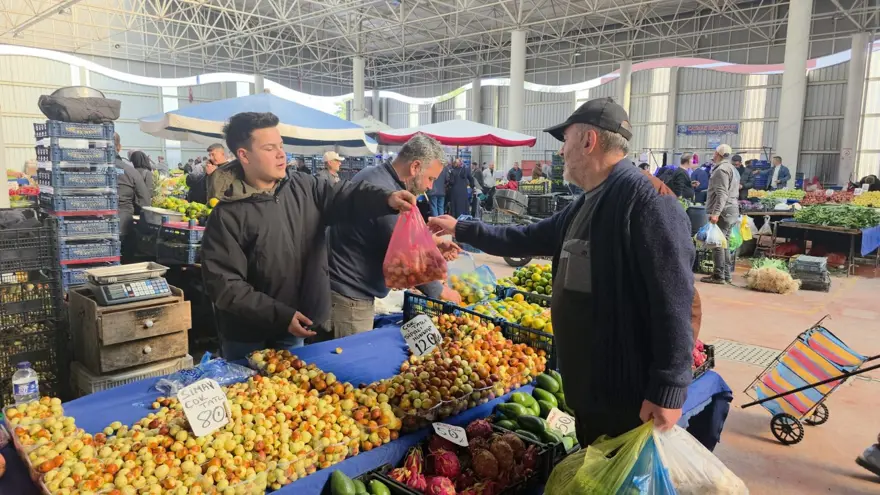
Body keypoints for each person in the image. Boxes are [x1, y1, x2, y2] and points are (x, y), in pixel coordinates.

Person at [429, 97, 694, 445]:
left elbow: (674, 298)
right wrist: (462, 228)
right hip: (592, 385)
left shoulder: (645, 201)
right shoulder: (587, 202)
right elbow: (525, 237)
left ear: (588, 141)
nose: (561, 152)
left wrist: (669, 387)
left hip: (626, 392)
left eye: (565, 141)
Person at [201, 112, 417, 360]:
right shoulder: (227, 214)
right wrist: (280, 315)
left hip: (295, 328)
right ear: (244, 155)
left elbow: (345, 196)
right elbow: (225, 285)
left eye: (281, 146)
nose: (281, 154)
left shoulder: (305, 187)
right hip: (248, 337)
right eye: (270, 148)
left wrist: (385, 198)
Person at [327, 134, 462, 339]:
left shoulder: (374, 174)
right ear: (415, 167)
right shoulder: (388, 194)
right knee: (342, 363)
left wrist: (433, 243)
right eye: (430, 178)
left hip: (342, 289)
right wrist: (443, 293)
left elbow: (393, 234)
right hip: (349, 298)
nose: (430, 187)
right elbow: (411, 261)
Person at [703, 144, 740, 285]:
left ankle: (718, 275)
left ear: (718, 153)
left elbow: (722, 194)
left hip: (724, 211)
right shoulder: (732, 169)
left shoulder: (721, 170)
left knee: (717, 242)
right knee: (725, 242)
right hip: (732, 209)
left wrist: (716, 213)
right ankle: (726, 274)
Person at [114, 133, 151, 261]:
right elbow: (145, 202)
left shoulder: (87, 170)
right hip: (123, 225)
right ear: (119, 147)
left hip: (90, 229)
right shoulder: (131, 171)